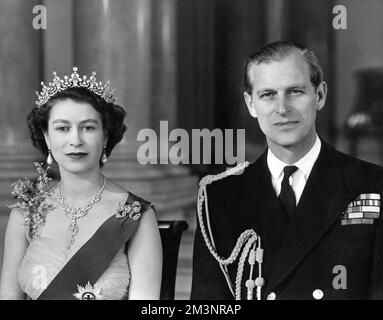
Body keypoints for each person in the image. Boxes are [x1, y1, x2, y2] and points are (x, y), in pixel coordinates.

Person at [191, 41, 383, 300]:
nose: (282, 108)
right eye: (268, 94)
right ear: (250, 104)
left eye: (295, 91)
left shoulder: (372, 185)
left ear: (320, 95)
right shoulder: (218, 197)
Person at [0, 67, 162, 300]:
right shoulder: (26, 214)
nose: (75, 140)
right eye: (62, 128)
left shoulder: (135, 216)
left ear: (105, 136)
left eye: (88, 127)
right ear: (47, 137)